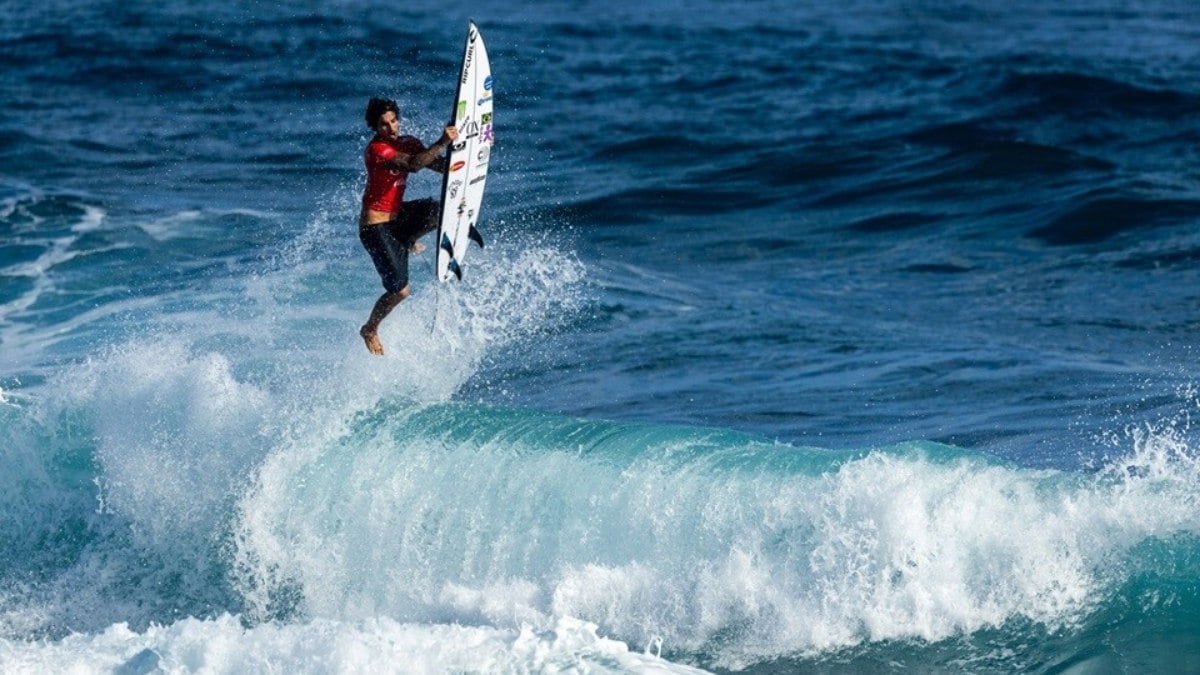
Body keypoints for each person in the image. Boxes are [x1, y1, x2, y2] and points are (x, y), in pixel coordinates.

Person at [357, 97, 458, 356]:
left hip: (397, 218)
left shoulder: (408, 143)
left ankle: (407, 239)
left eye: (394, 121)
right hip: (376, 228)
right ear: (374, 128)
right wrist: (442, 142)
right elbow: (413, 165)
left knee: (436, 211)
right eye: (383, 125)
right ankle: (370, 328)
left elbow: (437, 165)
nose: (391, 128)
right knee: (400, 291)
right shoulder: (377, 150)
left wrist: (466, 149)